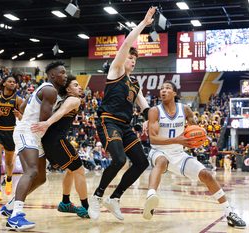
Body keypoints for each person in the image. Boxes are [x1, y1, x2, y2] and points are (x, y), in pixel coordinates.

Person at [143, 81, 246, 229]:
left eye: (167, 88)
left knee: (206, 174)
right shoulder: (155, 111)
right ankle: (151, 196)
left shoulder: (185, 110)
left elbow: (196, 130)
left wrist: (197, 139)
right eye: (161, 89)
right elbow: (153, 139)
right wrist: (177, 139)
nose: (163, 91)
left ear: (174, 94)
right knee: (162, 161)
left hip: (178, 153)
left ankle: (229, 213)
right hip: (159, 150)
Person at [87, 7, 155, 221]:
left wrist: (149, 120)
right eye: (130, 58)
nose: (132, 61)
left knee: (142, 162)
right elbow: (126, 44)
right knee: (118, 159)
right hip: (109, 121)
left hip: (125, 126)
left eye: (135, 59)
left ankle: (114, 198)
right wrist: (143, 24)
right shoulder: (115, 71)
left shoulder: (135, 83)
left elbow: (144, 106)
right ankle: (97, 196)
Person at [2, 61, 67, 231]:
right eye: (62, 72)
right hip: (28, 132)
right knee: (31, 171)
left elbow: (22, 106)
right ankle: (15, 216)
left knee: (41, 178)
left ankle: (9, 206)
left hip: (35, 135)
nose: (65, 75)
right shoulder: (50, 90)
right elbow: (44, 121)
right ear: (52, 75)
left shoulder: (43, 88)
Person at [31, 75, 90, 218]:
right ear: (68, 89)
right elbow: (61, 113)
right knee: (79, 170)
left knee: (71, 170)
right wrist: (47, 123)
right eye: (75, 85)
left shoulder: (62, 99)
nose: (79, 87)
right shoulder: (74, 99)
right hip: (57, 140)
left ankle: (65, 203)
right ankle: (86, 208)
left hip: (50, 141)